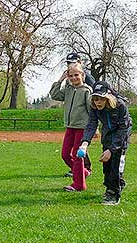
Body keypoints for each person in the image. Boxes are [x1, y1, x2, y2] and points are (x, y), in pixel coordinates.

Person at [78, 81, 132, 205]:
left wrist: (111, 149)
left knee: (116, 164)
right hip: (107, 134)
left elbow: (123, 128)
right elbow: (91, 125)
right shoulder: (94, 107)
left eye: (101, 99)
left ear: (108, 97)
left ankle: (113, 193)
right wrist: (85, 143)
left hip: (121, 135)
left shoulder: (120, 106)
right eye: (95, 99)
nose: (98, 102)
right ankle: (114, 184)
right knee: (107, 165)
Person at [50, 63, 92, 192]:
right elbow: (54, 95)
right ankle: (83, 172)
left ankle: (79, 185)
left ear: (82, 75)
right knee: (65, 154)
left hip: (82, 128)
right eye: (70, 75)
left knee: (77, 154)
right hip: (70, 127)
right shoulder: (68, 90)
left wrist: (94, 129)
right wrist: (60, 80)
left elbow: (91, 110)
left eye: (76, 75)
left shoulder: (86, 91)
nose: (74, 78)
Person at [64, 52, 94, 177]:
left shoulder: (88, 82)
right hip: (71, 124)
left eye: (73, 61)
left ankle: (83, 171)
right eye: (68, 62)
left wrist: (94, 127)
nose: (71, 64)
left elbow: (92, 105)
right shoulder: (69, 82)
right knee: (72, 152)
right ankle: (80, 170)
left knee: (80, 151)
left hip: (83, 125)